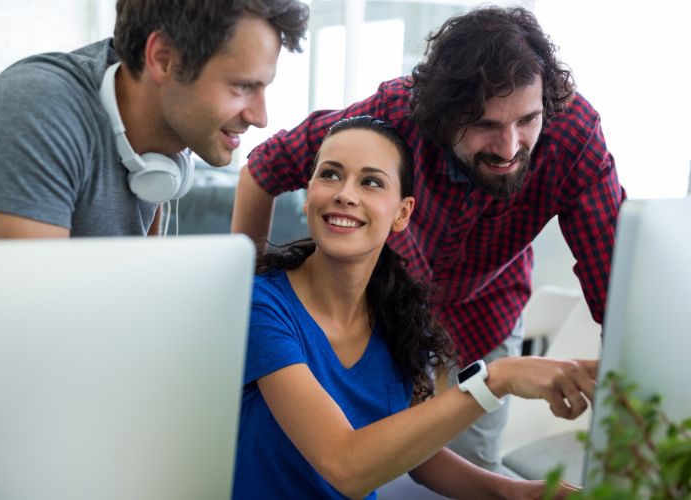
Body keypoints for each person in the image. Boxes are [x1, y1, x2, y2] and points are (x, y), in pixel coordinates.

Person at [231, 6, 624, 473]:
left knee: (467, 462)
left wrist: (634, 426)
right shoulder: (392, 116)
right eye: (484, 125)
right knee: (328, 453)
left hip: (485, 314)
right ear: (441, 115)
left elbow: (618, 291)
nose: (508, 146)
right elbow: (264, 168)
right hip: (386, 316)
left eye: (527, 120)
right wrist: (244, 307)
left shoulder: (573, 137)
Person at [233, 115, 594, 499]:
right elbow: (345, 464)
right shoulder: (261, 305)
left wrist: (512, 492)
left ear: (402, 213)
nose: (345, 194)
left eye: (371, 182)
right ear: (308, 198)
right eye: (330, 175)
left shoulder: (398, 319)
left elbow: (412, 452)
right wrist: (496, 379)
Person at [0, 0, 309, 240]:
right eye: (242, 87)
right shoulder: (35, 108)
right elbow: (30, 327)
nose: (260, 117)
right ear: (163, 59)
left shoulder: (164, 143)